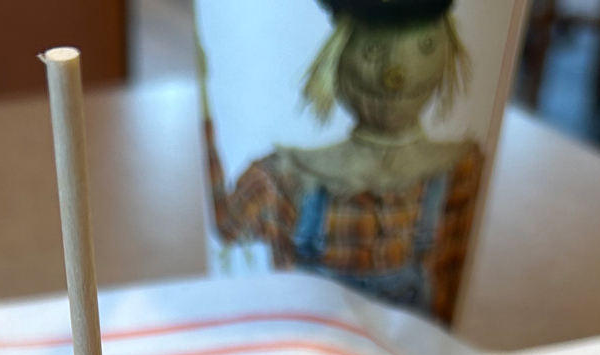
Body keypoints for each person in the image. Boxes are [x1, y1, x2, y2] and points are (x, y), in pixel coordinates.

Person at [205, 0, 482, 325]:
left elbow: (448, 291)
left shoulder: (455, 172)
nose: (396, 75)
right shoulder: (287, 177)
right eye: (372, 51)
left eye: (424, 46)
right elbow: (227, 233)